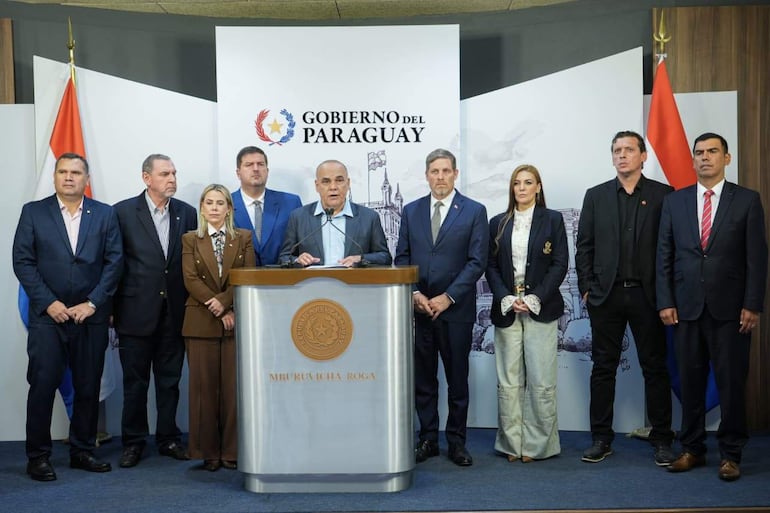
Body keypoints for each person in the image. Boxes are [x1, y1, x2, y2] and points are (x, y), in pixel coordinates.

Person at [658, 133, 767, 482]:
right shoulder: (675, 202)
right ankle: (691, 448)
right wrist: (666, 301)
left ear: (727, 158)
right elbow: (664, 256)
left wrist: (752, 304)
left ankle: (731, 455)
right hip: (686, 308)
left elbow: (757, 258)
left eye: (712, 152)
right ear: (692, 160)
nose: (705, 158)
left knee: (731, 383)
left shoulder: (747, 200)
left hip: (732, 311)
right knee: (689, 381)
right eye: (699, 153)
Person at [13, 153, 123, 481]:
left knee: (88, 385)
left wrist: (92, 303)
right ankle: (38, 457)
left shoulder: (104, 214)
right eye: (63, 171)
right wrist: (49, 303)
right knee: (43, 385)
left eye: (76, 172)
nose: (69, 177)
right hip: (49, 317)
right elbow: (23, 261)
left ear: (86, 178)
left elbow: (114, 262)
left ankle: (82, 450)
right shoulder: (34, 212)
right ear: (55, 176)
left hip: (90, 316)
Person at [575, 130, 675, 465]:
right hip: (607, 297)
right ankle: (601, 438)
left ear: (643, 155)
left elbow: (671, 248)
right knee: (603, 368)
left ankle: (662, 438)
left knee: (655, 368)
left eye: (629, 150)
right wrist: (587, 287)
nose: (622, 155)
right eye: (616, 150)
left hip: (649, 297)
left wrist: (667, 296)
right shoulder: (596, 196)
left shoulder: (664, 196)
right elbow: (584, 245)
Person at [394, 148, 489, 466]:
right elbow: (402, 258)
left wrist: (448, 297)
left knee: (457, 380)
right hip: (420, 311)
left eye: (446, 171)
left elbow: (477, 262)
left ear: (456, 174)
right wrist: (416, 294)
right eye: (434, 171)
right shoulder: (411, 211)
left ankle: (457, 442)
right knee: (424, 380)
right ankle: (428, 439)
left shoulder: (474, 211)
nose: (440, 177)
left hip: (456, 311)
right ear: (426, 175)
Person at [113, 154, 198, 468]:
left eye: (174, 173)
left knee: (169, 382)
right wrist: (110, 308)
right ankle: (133, 442)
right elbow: (114, 264)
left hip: (174, 312)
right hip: (134, 312)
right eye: (165, 174)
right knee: (135, 384)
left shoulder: (187, 213)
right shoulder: (122, 213)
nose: (172, 179)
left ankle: (168, 438)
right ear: (146, 178)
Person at [485, 164, 568, 463]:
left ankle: (537, 446)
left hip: (541, 308)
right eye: (517, 183)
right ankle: (511, 444)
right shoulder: (497, 223)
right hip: (507, 308)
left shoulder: (553, 220)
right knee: (508, 381)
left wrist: (534, 297)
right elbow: (490, 266)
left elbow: (560, 264)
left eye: (528, 182)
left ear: (538, 187)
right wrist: (507, 297)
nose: (521, 188)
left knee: (541, 379)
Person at [182, 184, 256, 471]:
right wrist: (215, 305)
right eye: (209, 202)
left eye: (220, 202)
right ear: (202, 207)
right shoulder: (190, 239)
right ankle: (207, 451)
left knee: (233, 392)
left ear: (229, 208)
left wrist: (227, 305)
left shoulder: (243, 238)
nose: (214, 207)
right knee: (204, 391)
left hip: (234, 321)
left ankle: (232, 451)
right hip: (200, 322)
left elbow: (245, 275)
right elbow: (190, 278)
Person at [279, 159, 391, 267]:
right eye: (326, 182)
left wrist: (360, 259)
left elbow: (385, 257)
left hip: (355, 284)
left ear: (348, 184)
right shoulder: (299, 217)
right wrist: (297, 260)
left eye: (339, 180)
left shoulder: (369, 217)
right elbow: (284, 257)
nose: (333, 187)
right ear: (317, 186)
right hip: (312, 284)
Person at [232, 146, 302, 265]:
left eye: (260, 164)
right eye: (249, 165)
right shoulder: (225, 204)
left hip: (284, 280)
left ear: (267, 171)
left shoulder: (291, 203)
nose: (255, 169)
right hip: (239, 281)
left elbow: (301, 247)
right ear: (238, 173)